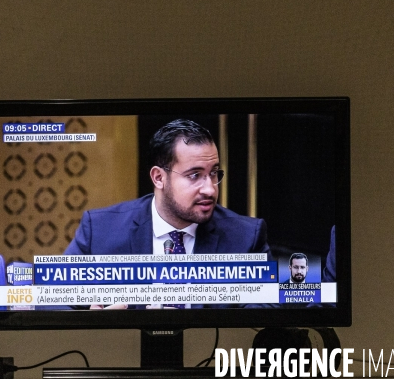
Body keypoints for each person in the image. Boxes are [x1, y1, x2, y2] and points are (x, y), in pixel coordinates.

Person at [64, 119, 273, 308]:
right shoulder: (99, 230)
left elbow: (265, 316)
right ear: (158, 178)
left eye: (213, 173)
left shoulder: (246, 237)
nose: (210, 189)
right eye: (194, 175)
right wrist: (95, 324)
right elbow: (53, 301)